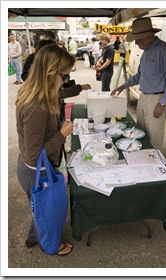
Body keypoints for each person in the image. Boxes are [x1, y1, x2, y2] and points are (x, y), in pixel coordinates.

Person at [15, 44, 75, 256]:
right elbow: (34, 153)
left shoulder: (40, 95)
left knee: (39, 208)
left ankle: (34, 237)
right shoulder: (35, 106)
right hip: (35, 171)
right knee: (46, 212)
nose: (65, 81)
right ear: (51, 73)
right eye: (65, 76)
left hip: (35, 168)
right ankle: (49, 244)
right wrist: (62, 134)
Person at [111, 17, 166, 150]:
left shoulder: (164, 50)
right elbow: (139, 76)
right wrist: (122, 86)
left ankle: (155, 164)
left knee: (154, 137)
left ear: (149, 36)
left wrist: (162, 103)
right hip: (144, 97)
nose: (136, 43)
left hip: (157, 98)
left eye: (139, 38)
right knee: (140, 133)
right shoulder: (146, 52)